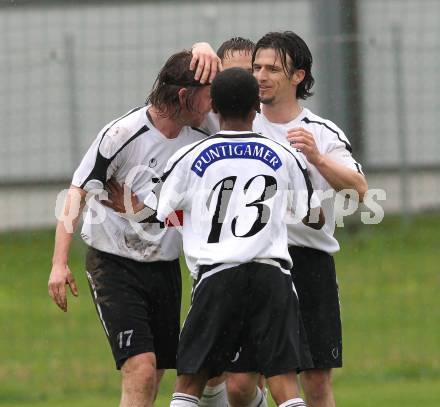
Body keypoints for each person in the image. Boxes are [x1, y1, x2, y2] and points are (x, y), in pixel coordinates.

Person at [143, 67, 322, 407]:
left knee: (189, 382)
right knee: (284, 383)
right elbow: (312, 216)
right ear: (257, 107)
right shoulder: (283, 155)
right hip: (272, 276)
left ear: (213, 108)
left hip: (218, 276)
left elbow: (158, 209)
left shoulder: (189, 157)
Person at [47, 50, 214, 407]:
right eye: (208, 92)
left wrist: (142, 211)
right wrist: (59, 264)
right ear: (184, 96)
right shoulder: (123, 133)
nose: (214, 101)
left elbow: (200, 210)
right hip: (114, 265)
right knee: (140, 367)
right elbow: (75, 192)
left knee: (152, 376)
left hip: (165, 267)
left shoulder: (204, 134)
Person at [247, 31, 368, 407]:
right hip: (253, 262)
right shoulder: (238, 125)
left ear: (298, 76)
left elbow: (359, 190)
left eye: (272, 69)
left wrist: (317, 157)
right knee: (244, 381)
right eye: (256, 67)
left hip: (309, 263)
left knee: (315, 382)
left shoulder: (322, 132)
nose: (261, 76)